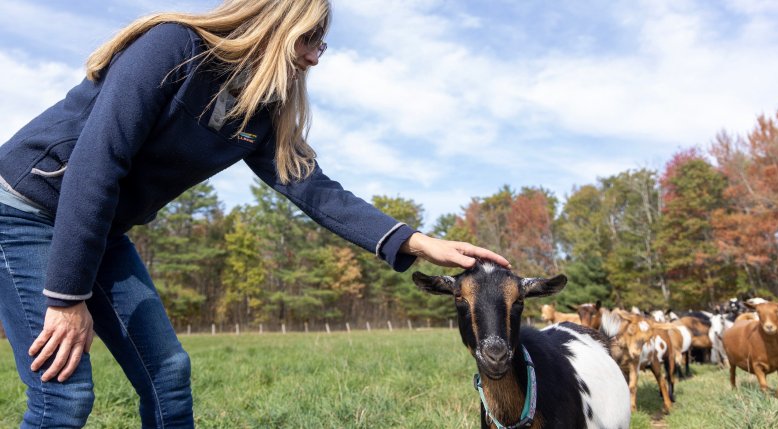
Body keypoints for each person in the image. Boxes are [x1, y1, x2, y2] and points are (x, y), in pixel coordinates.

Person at [0, 0, 509, 427]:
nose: (314, 57)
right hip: (23, 210)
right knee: (64, 397)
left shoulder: (259, 116)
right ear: (275, 23)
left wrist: (418, 242)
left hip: (100, 228)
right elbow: (97, 160)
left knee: (169, 374)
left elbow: (315, 191)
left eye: (321, 44)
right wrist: (67, 298)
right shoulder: (174, 48)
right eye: (309, 38)